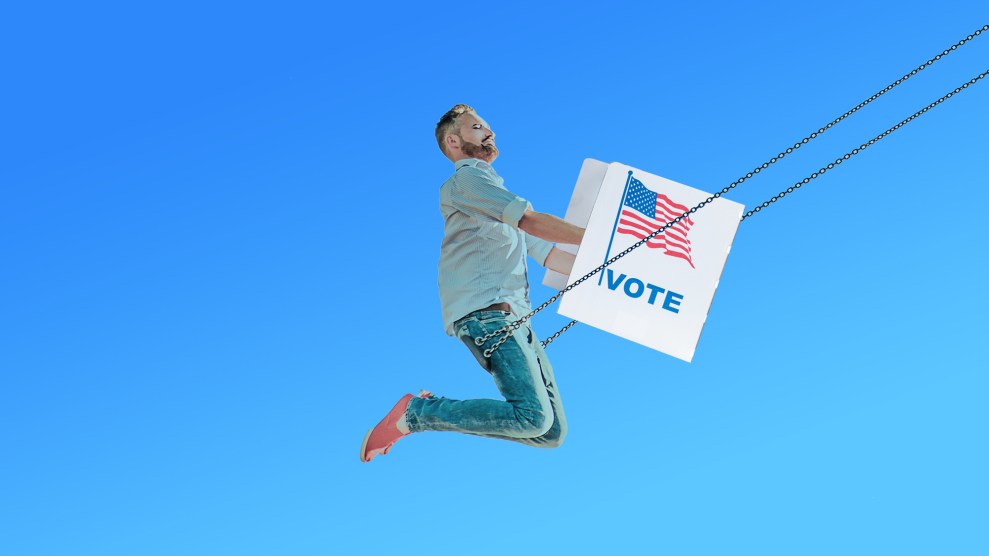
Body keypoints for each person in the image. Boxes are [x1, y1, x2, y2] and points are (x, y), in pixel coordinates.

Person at [360, 104, 584, 462]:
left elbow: (549, 254)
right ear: (453, 140)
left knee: (550, 432)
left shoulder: (494, 197)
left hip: (517, 322)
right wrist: (597, 238)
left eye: (488, 127)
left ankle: (421, 412)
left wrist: (614, 265)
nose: (489, 132)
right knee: (533, 417)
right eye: (477, 127)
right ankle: (417, 414)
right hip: (487, 315)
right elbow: (529, 221)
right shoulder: (466, 181)